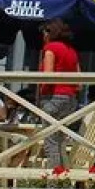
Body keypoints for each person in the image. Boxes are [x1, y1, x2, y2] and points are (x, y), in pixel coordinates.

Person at [37, 19, 81, 168]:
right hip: (70, 100)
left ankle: (54, 180)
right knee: (61, 141)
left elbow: (48, 77)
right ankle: (63, 177)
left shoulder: (50, 48)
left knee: (51, 141)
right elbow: (79, 84)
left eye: (43, 32)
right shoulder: (72, 51)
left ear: (48, 33)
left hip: (53, 98)